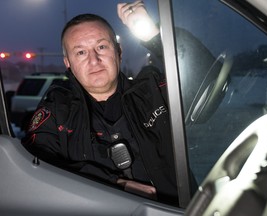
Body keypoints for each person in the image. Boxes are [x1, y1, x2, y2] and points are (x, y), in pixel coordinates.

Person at [22, 1, 193, 205]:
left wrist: (153, 36)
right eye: (81, 52)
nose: (94, 60)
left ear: (119, 52)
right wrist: (116, 184)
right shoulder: (57, 112)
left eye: (101, 47)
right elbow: (35, 170)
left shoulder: (155, 91)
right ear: (68, 63)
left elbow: (207, 79)